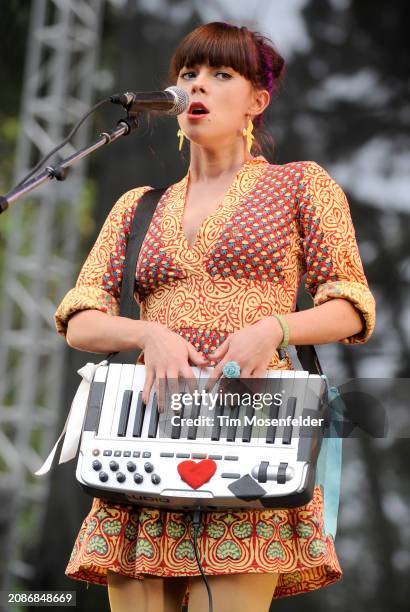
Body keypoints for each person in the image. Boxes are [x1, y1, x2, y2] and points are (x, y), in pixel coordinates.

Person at [54, 21, 376, 612]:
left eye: (221, 74)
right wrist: (148, 332)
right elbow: (81, 320)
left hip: (249, 426)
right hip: (148, 432)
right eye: (188, 73)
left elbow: (350, 307)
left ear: (258, 100)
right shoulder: (139, 206)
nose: (197, 85)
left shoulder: (300, 185)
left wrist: (274, 329)